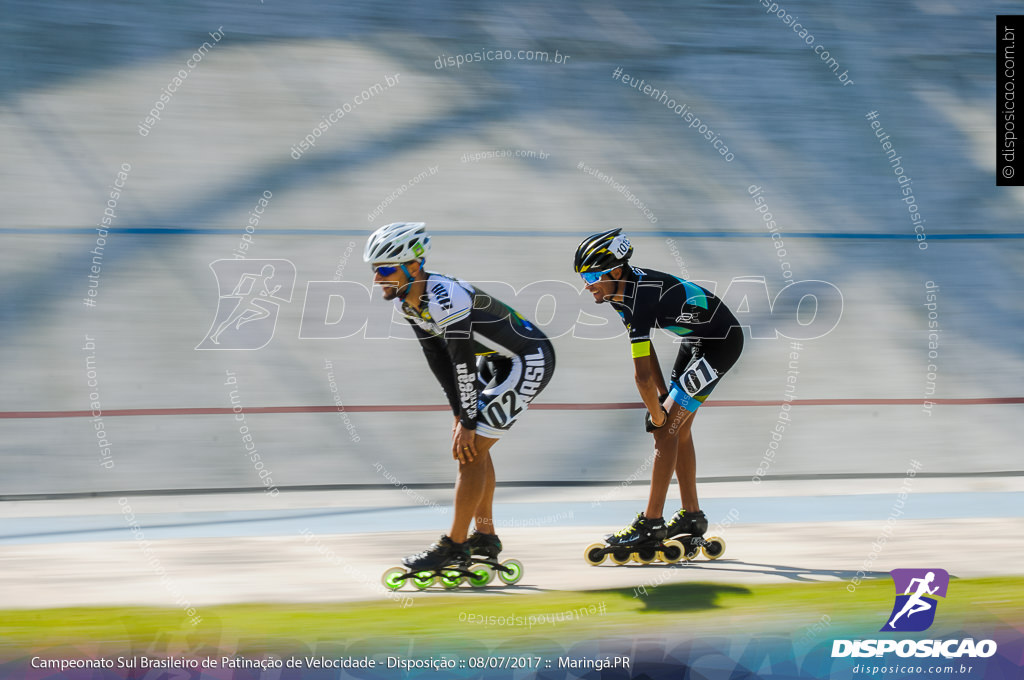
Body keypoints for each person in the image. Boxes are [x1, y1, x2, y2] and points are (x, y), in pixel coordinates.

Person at [364, 222, 555, 572]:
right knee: (471, 448)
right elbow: (438, 360)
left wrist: (467, 420)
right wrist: (459, 414)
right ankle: (484, 537)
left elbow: (462, 363)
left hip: (526, 360)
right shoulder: (409, 303)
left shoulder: (444, 297)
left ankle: (454, 545)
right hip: (497, 361)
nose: (378, 278)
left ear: (414, 266)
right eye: (375, 270)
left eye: (386, 269)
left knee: (470, 450)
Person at [574, 228, 743, 549]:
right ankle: (692, 516)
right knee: (676, 428)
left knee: (666, 431)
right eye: (583, 276)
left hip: (721, 343)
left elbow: (640, 377)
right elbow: (646, 355)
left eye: (593, 274)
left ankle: (651, 524)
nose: (587, 284)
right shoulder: (615, 291)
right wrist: (663, 400)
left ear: (616, 270)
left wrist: (657, 414)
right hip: (697, 338)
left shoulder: (640, 298)